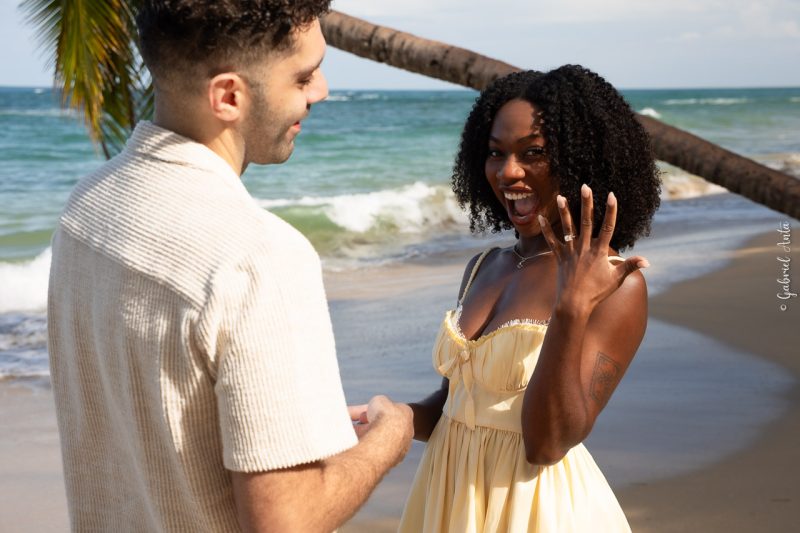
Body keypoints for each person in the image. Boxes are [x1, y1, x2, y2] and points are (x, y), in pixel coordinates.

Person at [47, 1, 412, 531]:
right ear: (228, 96)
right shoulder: (258, 257)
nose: (322, 91)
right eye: (304, 77)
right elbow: (287, 521)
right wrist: (389, 438)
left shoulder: (86, 207)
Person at [396, 66, 661, 532]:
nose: (508, 171)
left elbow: (547, 442)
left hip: (537, 512)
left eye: (533, 153)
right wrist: (387, 419)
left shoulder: (616, 285)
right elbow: (455, 406)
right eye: (496, 153)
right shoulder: (484, 267)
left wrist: (571, 308)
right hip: (449, 502)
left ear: (583, 160)